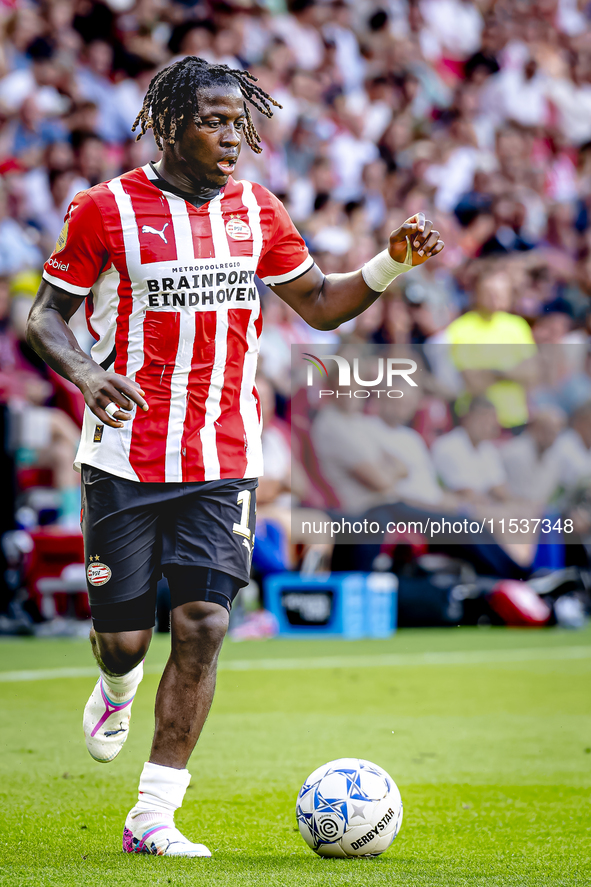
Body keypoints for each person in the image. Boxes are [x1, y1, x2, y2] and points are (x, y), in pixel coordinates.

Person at [25, 56, 444, 859]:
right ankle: (115, 687)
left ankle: (152, 816)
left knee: (205, 621)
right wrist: (85, 372)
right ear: (170, 123)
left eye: (239, 124)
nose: (231, 138)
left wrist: (389, 262)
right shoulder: (104, 209)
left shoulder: (256, 211)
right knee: (123, 638)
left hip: (223, 454)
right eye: (214, 121)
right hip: (125, 453)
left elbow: (319, 302)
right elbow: (46, 318)